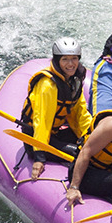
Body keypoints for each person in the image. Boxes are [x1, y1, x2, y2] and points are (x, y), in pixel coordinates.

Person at [18, 36, 90, 179]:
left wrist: (90, 137)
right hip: (35, 138)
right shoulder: (48, 85)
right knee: (81, 154)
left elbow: (80, 114)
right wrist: (39, 157)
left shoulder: (74, 81)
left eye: (74, 58)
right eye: (65, 59)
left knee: (93, 146)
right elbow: (42, 121)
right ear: (57, 60)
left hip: (55, 132)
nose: (71, 64)